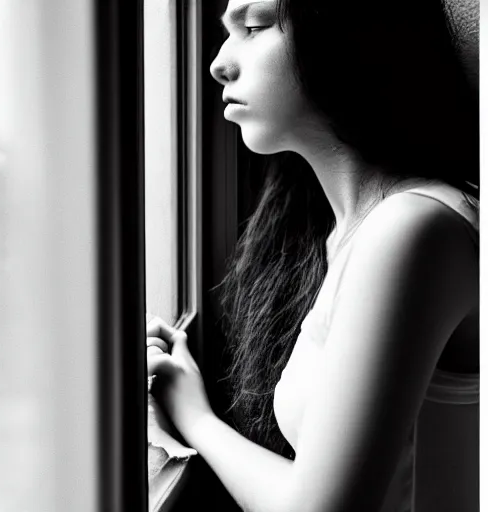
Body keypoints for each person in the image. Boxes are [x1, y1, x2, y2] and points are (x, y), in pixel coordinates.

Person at [147, 1, 479, 510]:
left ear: (347, 34)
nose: (218, 62)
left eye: (254, 28)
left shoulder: (414, 229)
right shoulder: (342, 233)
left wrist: (195, 416)